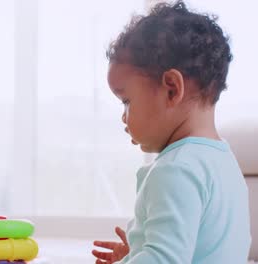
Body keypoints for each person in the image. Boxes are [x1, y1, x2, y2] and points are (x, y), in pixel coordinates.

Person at [92, 1, 251, 263]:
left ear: (172, 89)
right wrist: (134, 255)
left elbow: (164, 258)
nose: (124, 116)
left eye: (127, 101)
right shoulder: (224, 161)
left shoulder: (175, 168)